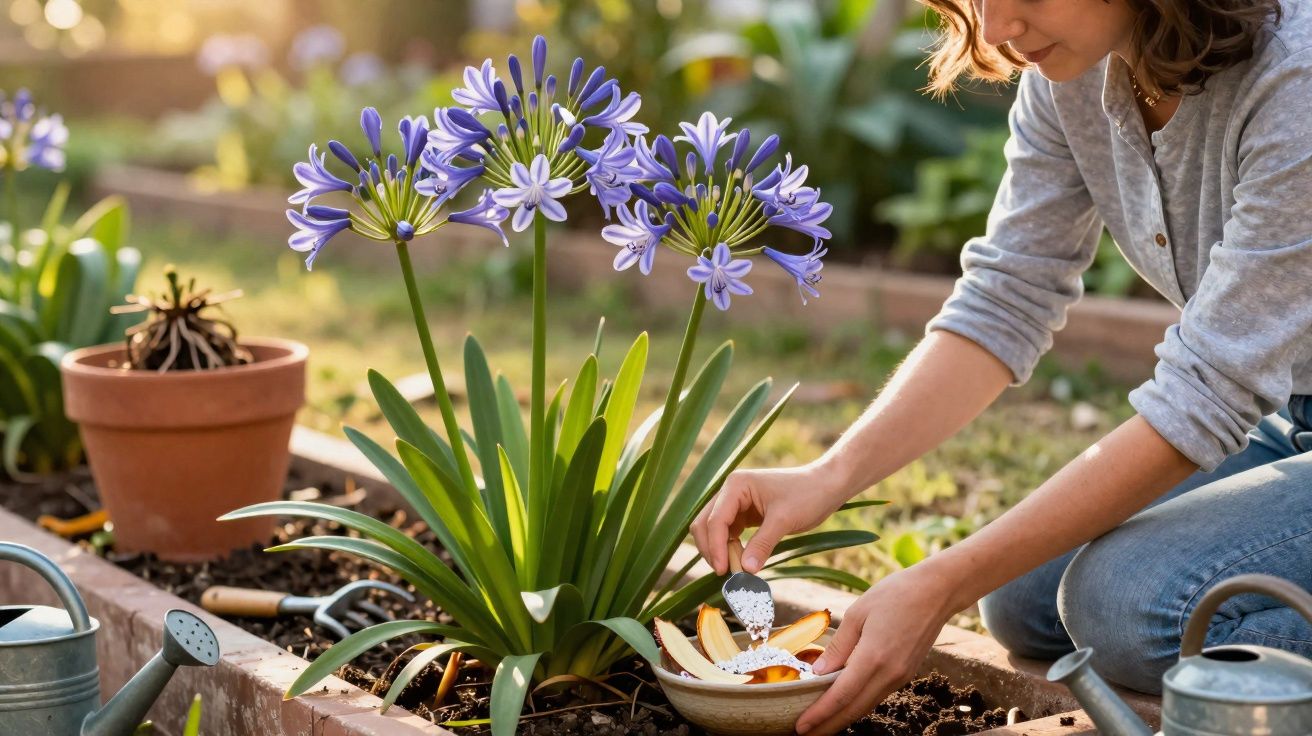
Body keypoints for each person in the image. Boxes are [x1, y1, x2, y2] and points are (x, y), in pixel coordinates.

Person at [690, 0, 1312, 733]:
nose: (995, 29)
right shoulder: (1076, 73)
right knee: (1022, 597)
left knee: (1127, 604)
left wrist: (940, 583)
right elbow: (1006, 297)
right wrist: (828, 475)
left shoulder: (1294, 77)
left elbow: (1206, 394)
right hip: (1293, 417)